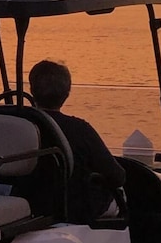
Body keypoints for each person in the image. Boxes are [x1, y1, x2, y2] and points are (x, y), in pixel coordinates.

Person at [28, 59, 126, 222]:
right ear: (67, 94)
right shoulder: (79, 129)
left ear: (32, 91)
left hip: (31, 202)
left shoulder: (21, 125)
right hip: (72, 207)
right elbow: (117, 176)